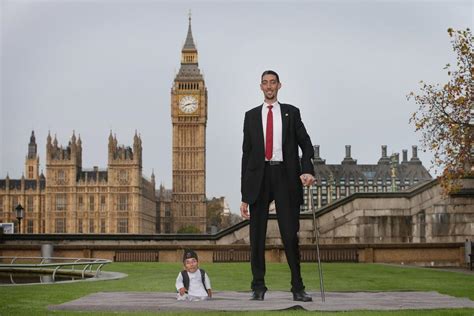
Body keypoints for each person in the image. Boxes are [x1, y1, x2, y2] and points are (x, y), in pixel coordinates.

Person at [240, 70, 315, 302]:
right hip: (259, 178)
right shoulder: (250, 116)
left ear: (279, 86)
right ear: (260, 87)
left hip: (285, 175)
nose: (269, 86)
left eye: (273, 82)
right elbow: (246, 155)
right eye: (265, 83)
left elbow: (307, 145)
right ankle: (258, 287)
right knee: (257, 236)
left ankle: (298, 287)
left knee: (290, 236)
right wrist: (244, 195)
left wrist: (306, 170)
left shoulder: (291, 113)